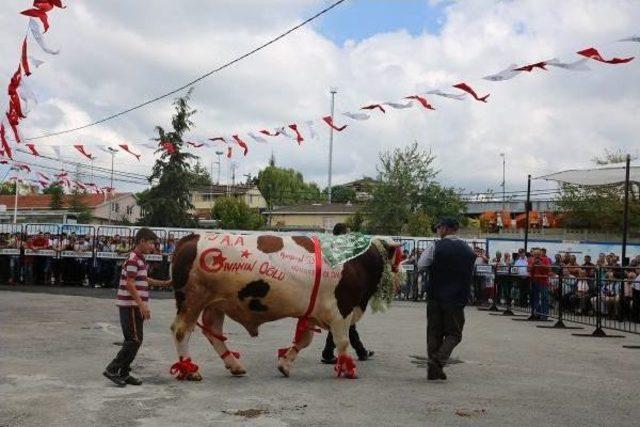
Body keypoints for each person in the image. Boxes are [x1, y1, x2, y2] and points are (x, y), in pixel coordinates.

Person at [103, 228, 172, 387]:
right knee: (133, 340)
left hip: (133, 305)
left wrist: (164, 283)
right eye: (151, 243)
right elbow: (130, 283)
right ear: (141, 241)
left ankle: (124, 372)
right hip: (131, 305)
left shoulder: (139, 259)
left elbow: (143, 279)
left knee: (135, 340)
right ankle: (112, 369)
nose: (153, 247)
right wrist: (142, 305)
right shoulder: (134, 259)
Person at [417, 217, 475, 381]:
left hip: (435, 295)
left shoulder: (435, 246)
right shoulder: (468, 249)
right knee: (454, 333)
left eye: (438, 227)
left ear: (444, 229)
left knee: (434, 332)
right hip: (457, 298)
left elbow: (421, 264)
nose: (437, 230)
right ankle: (437, 366)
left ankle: (434, 363)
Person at [321, 223, 374, 364]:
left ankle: (359, 351)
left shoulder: (331, 247)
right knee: (343, 321)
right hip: (340, 290)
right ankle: (332, 353)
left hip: (338, 289)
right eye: (348, 233)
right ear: (342, 234)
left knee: (345, 323)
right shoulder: (339, 249)